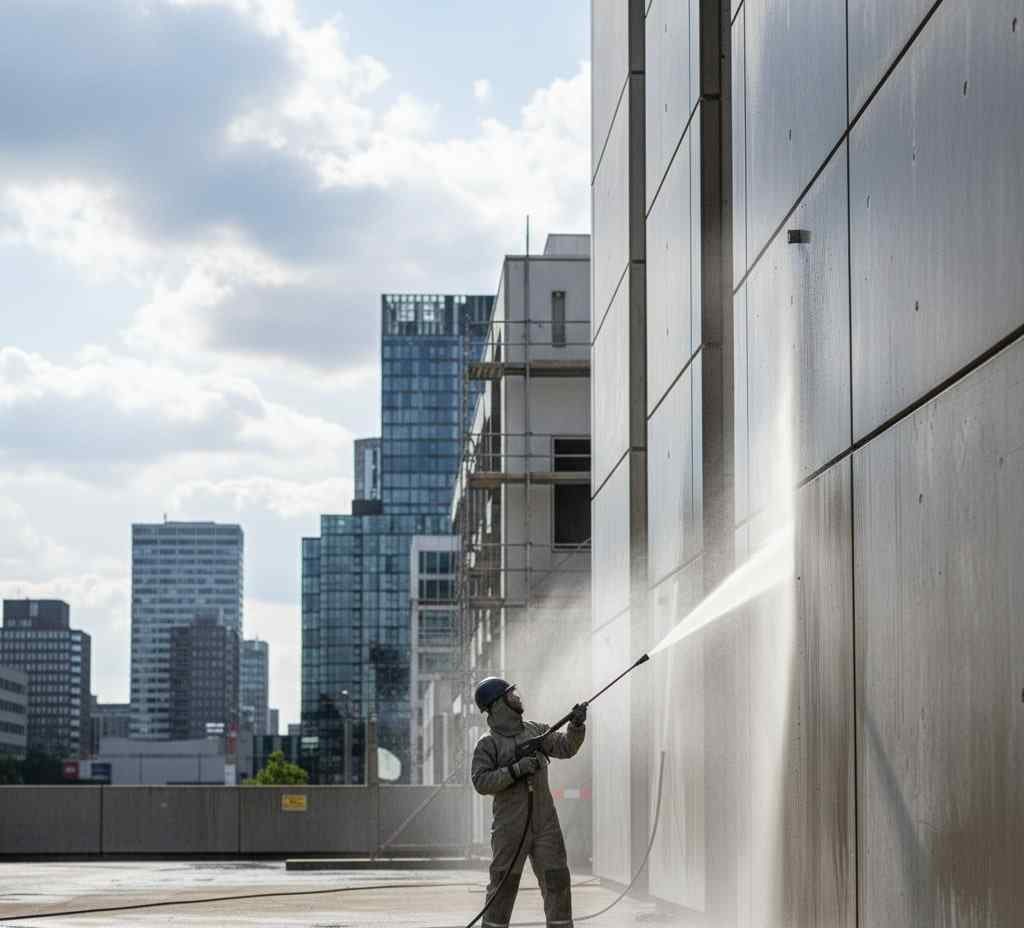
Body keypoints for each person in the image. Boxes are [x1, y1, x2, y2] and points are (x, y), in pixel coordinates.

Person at [471, 677, 587, 928]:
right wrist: (515, 770)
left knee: (557, 880)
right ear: (498, 704)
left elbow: (566, 747)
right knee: (503, 886)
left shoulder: (535, 731)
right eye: (511, 694)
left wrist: (576, 725)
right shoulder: (488, 743)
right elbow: (481, 782)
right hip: (510, 828)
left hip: (545, 824)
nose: (517, 697)